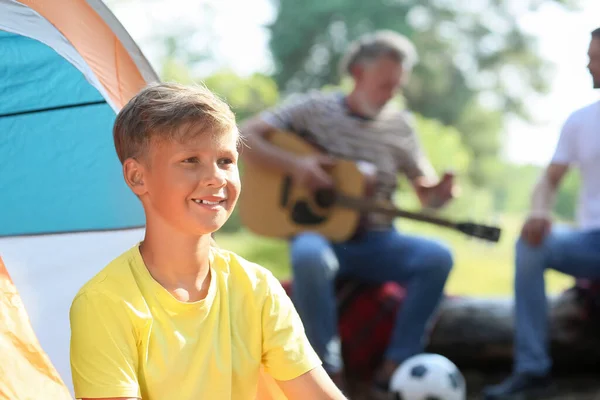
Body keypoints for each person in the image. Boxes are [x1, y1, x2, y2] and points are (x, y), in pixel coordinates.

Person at [68, 82, 347, 400]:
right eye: (190, 160)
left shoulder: (257, 289)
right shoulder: (105, 303)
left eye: (226, 160)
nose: (217, 177)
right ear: (137, 177)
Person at [241, 30, 456, 392]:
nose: (392, 92)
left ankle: (395, 366)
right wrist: (297, 166)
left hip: (380, 240)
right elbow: (243, 135)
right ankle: (326, 372)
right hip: (322, 237)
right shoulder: (314, 108)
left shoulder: (402, 125)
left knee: (438, 257)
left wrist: (439, 193)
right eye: (384, 83)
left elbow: (425, 193)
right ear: (357, 73)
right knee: (308, 254)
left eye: (397, 85)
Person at [482, 27, 600, 400]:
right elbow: (547, 181)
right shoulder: (581, 121)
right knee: (532, 245)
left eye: (595, 58)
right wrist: (538, 211)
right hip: (592, 242)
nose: (587, 65)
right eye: (589, 56)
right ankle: (532, 370)